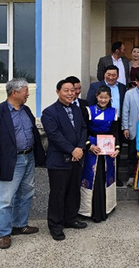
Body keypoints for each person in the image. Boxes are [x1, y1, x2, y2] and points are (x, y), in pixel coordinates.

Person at [0, 78, 46, 249]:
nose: (28, 94)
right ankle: (4, 234)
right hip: (9, 161)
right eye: (25, 91)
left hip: (28, 157)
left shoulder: (26, 110)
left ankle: (20, 225)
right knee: (5, 199)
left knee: (26, 193)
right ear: (14, 92)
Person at [41, 78, 88, 241]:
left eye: (72, 90)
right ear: (58, 92)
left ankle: (70, 219)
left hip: (77, 158)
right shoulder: (49, 112)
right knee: (58, 194)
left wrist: (80, 148)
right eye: (66, 90)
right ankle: (56, 226)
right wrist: (72, 150)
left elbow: (83, 128)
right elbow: (54, 136)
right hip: (59, 160)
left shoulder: (76, 109)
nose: (70, 93)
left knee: (73, 191)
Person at [79, 86, 121, 223]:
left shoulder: (113, 112)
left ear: (110, 98)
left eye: (106, 97)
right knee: (92, 178)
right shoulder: (88, 111)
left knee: (104, 176)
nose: (103, 100)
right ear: (96, 96)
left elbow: (115, 131)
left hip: (108, 147)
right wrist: (88, 145)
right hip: (93, 147)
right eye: (101, 97)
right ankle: (88, 210)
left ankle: (105, 208)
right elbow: (83, 129)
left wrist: (117, 148)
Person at [87, 65, 127, 186]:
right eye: (108, 74)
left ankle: (116, 177)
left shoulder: (122, 87)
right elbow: (89, 105)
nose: (111, 77)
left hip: (114, 120)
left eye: (114, 75)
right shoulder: (95, 86)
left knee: (113, 157)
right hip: (95, 126)